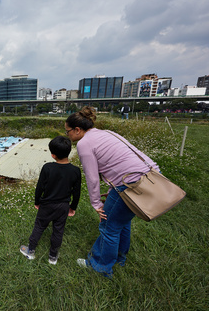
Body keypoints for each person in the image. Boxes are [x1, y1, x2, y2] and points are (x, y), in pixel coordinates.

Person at [65, 106, 159, 277]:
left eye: (68, 132)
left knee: (108, 226)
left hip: (130, 183)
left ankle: (100, 266)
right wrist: (112, 190)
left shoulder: (84, 143)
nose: (68, 136)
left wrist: (96, 203)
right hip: (150, 176)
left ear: (77, 130)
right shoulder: (107, 133)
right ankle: (119, 258)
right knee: (122, 222)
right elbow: (119, 162)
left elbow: (92, 178)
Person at [20, 136, 81, 265]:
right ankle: (53, 257)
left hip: (47, 204)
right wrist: (73, 207)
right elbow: (76, 192)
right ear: (69, 151)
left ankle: (30, 251)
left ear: (53, 155)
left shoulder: (47, 167)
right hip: (63, 206)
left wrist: (37, 201)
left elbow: (40, 187)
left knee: (39, 226)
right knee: (58, 230)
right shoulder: (75, 171)